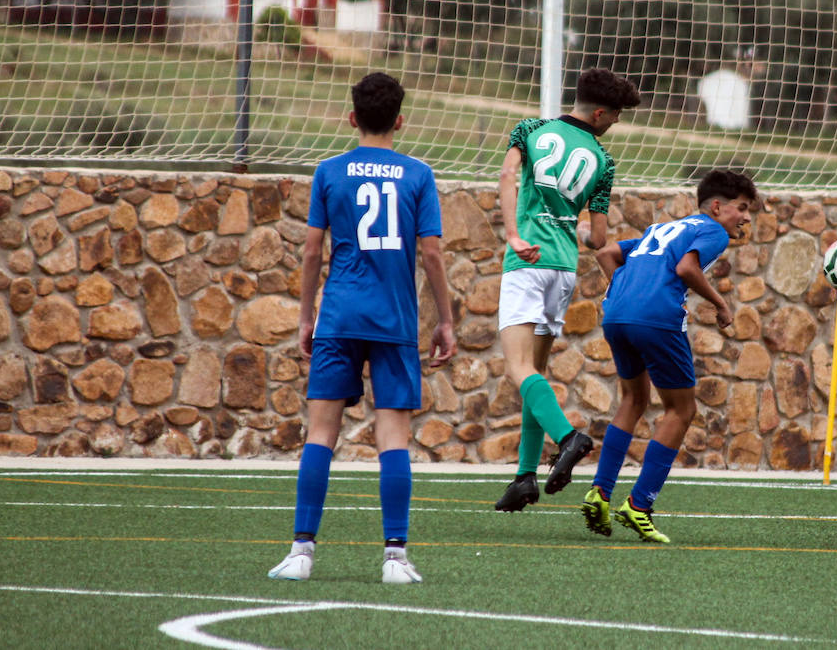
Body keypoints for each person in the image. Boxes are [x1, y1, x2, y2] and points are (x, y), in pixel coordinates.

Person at [268, 72, 456, 584]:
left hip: (341, 315)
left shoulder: (329, 172)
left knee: (322, 430)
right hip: (394, 319)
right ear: (400, 120)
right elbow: (433, 253)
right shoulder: (419, 174)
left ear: (352, 117)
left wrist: (307, 315)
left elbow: (311, 250)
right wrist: (445, 319)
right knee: (392, 433)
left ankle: (301, 552)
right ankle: (395, 558)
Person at [493, 67, 642, 512]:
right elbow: (598, 239)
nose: (615, 122)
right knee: (533, 373)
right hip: (563, 271)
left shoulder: (532, 130)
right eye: (615, 115)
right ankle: (524, 478)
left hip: (527, 261)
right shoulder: (603, 161)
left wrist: (515, 234)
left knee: (517, 369)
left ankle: (568, 437)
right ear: (598, 113)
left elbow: (506, 177)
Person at [581, 169, 757, 543]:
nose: (745, 217)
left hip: (616, 314)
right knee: (682, 409)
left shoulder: (663, 229)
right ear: (716, 206)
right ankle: (639, 505)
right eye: (741, 208)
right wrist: (721, 304)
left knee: (634, 398)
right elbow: (686, 268)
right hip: (657, 317)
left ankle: (599, 492)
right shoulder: (713, 230)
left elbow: (608, 252)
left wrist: (629, 291)